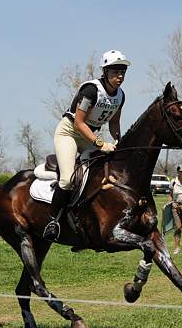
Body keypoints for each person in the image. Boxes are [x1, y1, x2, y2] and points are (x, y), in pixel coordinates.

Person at [43, 50, 130, 240]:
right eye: (116, 71)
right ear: (105, 72)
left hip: (88, 137)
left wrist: (117, 141)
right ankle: (52, 221)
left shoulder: (120, 96)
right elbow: (79, 123)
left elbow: (114, 123)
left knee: (104, 171)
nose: (120, 76)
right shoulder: (91, 90)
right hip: (69, 133)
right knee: (66, 179)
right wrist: (100, 143)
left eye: (123, 71)